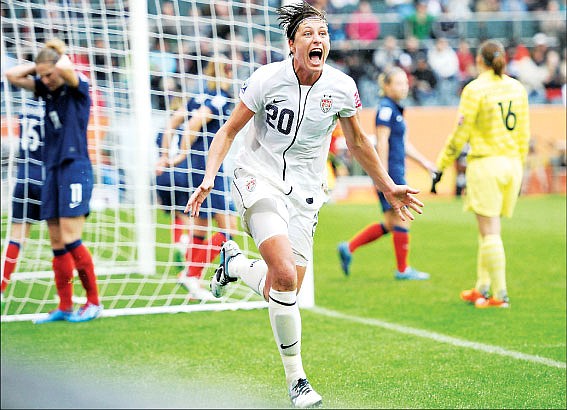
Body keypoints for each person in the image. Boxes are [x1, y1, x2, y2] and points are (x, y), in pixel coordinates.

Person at [185, 2, 424, 407]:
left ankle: (235, 265)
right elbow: (227, 132)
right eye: (309, 34)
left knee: (284, 285)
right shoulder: (265, 80)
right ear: (291, 43)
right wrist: (210, 175)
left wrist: (386, 186)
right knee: (281, 272)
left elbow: (359, 142)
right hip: (256, 176)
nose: (318, 40)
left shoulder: (342, 87)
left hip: (307, 191)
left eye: (324, 34)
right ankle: (297, 379)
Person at [6, 38, 103, 323]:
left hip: (76, 169)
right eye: (42, 75)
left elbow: (63, 66)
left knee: (72, 239)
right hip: (53, 170)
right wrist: (39, 67)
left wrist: (55, 59)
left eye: (49, 75)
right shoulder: (46, 90)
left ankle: (94, 302)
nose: (45, 79)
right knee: (57, 242)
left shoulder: (77, 88)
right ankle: (65, 305)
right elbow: (11, 75)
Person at [431, 39, 530, 309]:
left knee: (489, 232)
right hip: (512, 165)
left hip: (486, 165)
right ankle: (482, 288)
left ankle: (500, 295)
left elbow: (460, 135)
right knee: (487, 231)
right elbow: (524, 134)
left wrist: (441, 165)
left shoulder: (475, 90)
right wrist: (519, 166)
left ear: (479, 61)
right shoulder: (517, 88)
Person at [337, 67, 436, 280]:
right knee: (401, 221)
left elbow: (403, 144)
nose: (404, 87)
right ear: (386, 86)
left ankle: (349, 247)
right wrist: (383, 178)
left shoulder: (396, 110)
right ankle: (402, 270)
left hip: (394, 172)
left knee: (392, 223)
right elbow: (381, 143)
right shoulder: (386, 110)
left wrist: (425, 163)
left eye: (405, 82)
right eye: (398, 83)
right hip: (392, 174)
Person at [156, 58, 238, 300]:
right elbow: (193, 124)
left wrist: (164, 156)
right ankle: (192, 274)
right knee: (229, 230)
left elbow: (172, 123)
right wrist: (181, 151)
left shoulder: (197, 96)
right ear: (227, 71)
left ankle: (191, 277)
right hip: (209, 168)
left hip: (193, 169)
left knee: (201, 227)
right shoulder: (220, 97)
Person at [1, 97, 45, 302]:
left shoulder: (25, 104)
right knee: (65, 238)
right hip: (46, 177)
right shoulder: (54, 104)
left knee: (16, 236)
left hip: (24, 175)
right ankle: (68, 294)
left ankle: (1, 287)